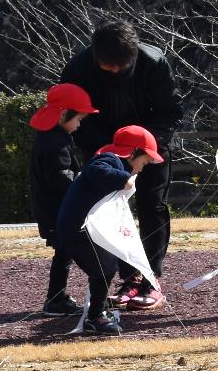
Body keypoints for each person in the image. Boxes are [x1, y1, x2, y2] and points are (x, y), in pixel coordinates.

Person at [60, 22, 183, 309]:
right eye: (107, 67)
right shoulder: (78, 68)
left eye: (121, 66)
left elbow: (171, 112)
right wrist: (110, 150)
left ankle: (150, 277)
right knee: (111, 211)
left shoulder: (154, 62)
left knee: (152, 206)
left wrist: (144, 147)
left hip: (149, 146)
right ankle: (128, 278)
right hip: (104, 150)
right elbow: (75, 117)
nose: (115, 71)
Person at [52, 126, 164, 336]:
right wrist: (124, 179)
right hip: (77, 230)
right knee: (104, 268)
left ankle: (98, 312)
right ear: (133, 152)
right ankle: (95, 317)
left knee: (105, 267)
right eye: (144, 162)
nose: (141, 168)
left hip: (80, 230)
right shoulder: (109, 160)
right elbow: (96, 171)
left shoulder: (112, 161)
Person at [28, 82, 98, 316]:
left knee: (64, 254)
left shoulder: (52, 137)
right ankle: (58, 299)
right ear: (63, 115)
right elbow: (59, 176)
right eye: (78, 119)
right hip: (57, 209)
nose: (79, 125)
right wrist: (85, 180)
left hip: (54, 208)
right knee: (68, 252)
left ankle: (56, 298)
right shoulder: (54, 143)